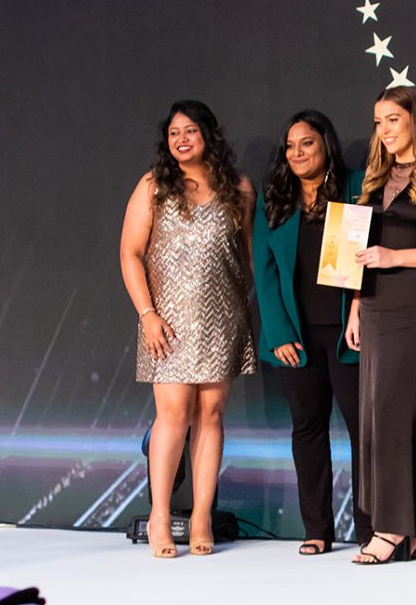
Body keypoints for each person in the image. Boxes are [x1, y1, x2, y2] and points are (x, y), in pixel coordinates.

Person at [119, 100, 256, 558]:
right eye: (174, 132)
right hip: (168, 321)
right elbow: (130, 254)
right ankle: (161, 515)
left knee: (212, 414)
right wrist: (148, 314)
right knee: (174, 414)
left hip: (222, 317)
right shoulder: (154, 186)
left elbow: (250, 260)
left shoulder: (239, 189)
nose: (181, 139)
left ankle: (201, 516)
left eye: (191, 131)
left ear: (209, 136)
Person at [252, 110, 372, 555]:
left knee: (364, 432)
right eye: (291, 145)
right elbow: (264, 272)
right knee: (307, 428)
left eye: (307, 143)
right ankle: (317, 529)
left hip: (347, 334)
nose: (298, 152)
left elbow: (356, 265)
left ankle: (370, 529)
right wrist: (279, 333)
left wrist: (358, 308)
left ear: (326, 145)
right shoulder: (275, 200)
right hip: (296, 339)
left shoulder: (354, 186)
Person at [345, 87, 416, 564]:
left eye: (392, 119)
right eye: (377, 121)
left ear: (415, 122)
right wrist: (353, 306)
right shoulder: (373, 178)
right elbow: (354, 252)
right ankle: (402, 528)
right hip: (374, 306)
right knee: (380, 416)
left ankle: (405, 528)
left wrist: (394, 257)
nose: (384, 130)